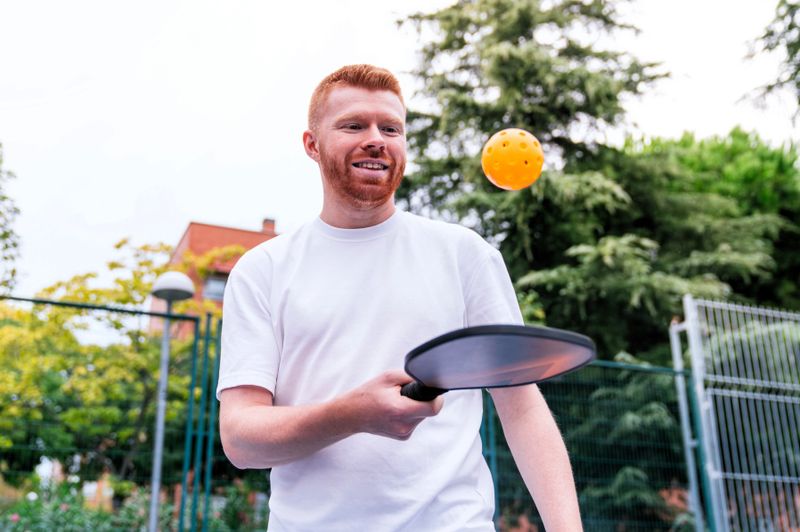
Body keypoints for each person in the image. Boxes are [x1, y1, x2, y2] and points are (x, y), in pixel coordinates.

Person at [217, 64, 582, 531]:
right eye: (354, 125)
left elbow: (522, 405)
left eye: (391, 128)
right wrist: (352, 414)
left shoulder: (463, 254)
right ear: (311, 144)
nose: (377, 139)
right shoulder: (262, 271)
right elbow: (242, 440)